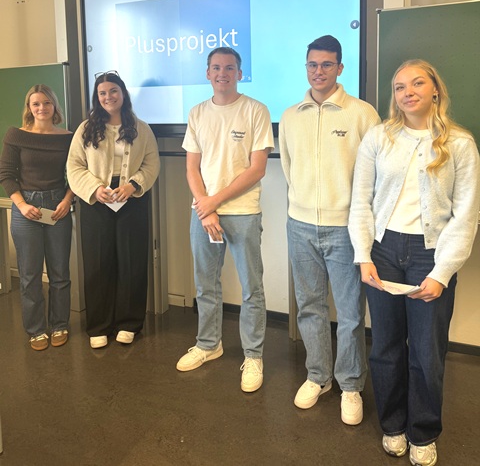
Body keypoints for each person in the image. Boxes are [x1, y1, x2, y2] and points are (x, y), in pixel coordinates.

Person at [348, 60, 480, 466]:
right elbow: (361, 201)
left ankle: (423, 432)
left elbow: (466, 215)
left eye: (417, 83)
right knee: (386, 346)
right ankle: (393, 425)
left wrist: (442, 273)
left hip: (431, 253)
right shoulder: (379, 137)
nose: (408, 92)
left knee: (426, 351)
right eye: (400, 86)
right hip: (384, 251)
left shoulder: (460, 144)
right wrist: (363, 255)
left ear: (435, 89)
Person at [279, 35, 380, 423]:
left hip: (345, 229)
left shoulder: (362, 114)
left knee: (351, 313)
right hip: (300, 225)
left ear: (340, 68)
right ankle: (318, 376)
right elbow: (288, 167)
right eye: (312, 64)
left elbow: (374, 174)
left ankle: (350, 385)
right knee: (309, 307)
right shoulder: (291, 116)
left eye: (326, 64)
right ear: (306, 67)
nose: (318, 71)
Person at [176, 47, 274, 393]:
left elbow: (257, 169)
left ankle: (254, 355)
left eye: (229, 68)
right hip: (203, 215)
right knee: (206, 284)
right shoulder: (197, 112)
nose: (223, 73)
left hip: (242, 213)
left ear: (240, 73)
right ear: (208, 73)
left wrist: (212, 203)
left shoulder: (256, 110)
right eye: (216, 68)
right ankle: (208, 344)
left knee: (251, 288)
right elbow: (191, 168)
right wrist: (206, 208)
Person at [67, 71, 160, 349]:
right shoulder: (86, 129)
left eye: (113, 91)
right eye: (102, 93)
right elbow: (74, 166)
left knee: (132, 262)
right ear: (97, 97)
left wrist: (133, 185)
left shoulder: (141, 128)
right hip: (97, 201)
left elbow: (152, 163)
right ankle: (98, 325)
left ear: (123, 93)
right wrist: (95, 189)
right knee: (98, 263)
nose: (108, 97)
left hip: (132, 199)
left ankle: (129, 323)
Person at [0, 85, 74, 351]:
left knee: (60, 273)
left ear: (54, 106)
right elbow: (6, 174)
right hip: (26, 208)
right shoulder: (16, 135)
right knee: (30, 275)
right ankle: (36, 330)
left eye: (46, 103)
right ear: (29, 108)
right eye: (36, 104)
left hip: (58, 207)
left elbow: (76, 173)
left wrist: (67, 200)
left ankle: (60, 325)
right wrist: (21, 205)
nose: (42, 108)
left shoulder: (68, 138)